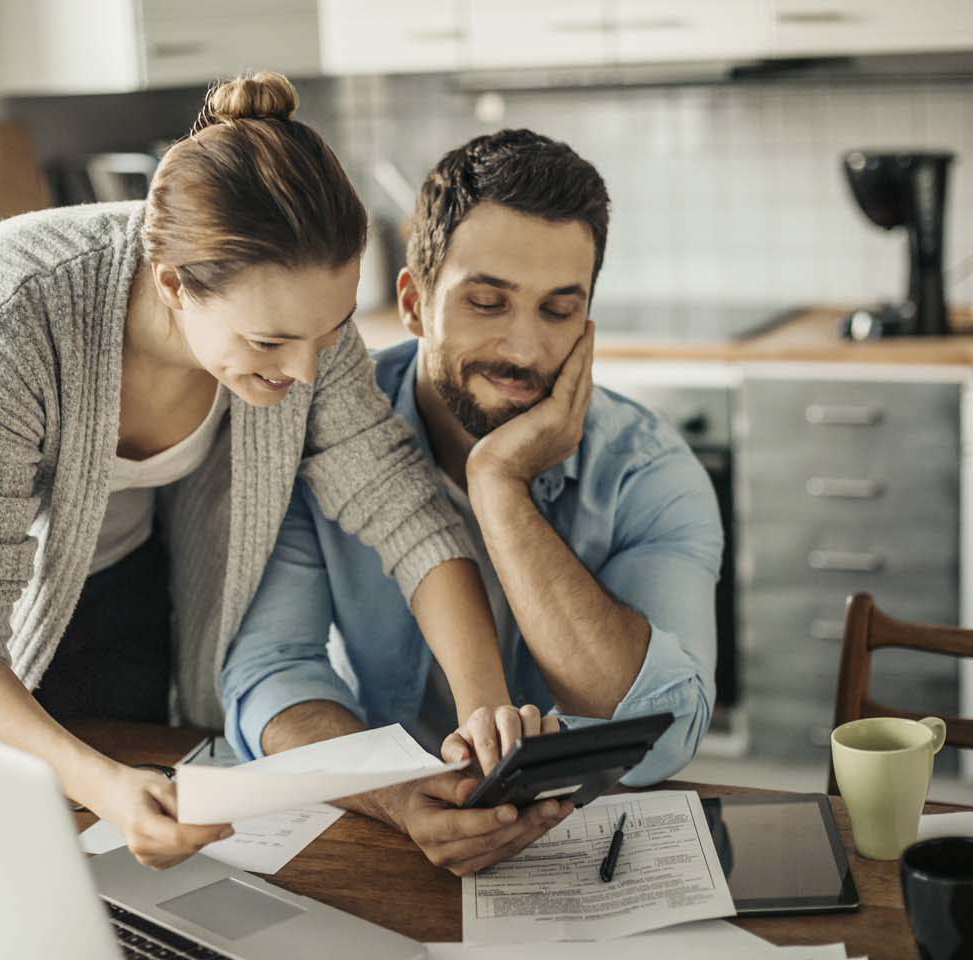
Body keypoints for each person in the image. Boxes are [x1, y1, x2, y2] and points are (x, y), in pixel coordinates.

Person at [0, 73, 519, 870]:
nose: (304, 371)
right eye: (268, 344)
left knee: (115, 876)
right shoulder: (15, 308)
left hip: (121, 584)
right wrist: (108, 786)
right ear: (171, 285)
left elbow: (405, 510)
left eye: (329, 332)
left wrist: (484, 711)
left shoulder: (300, 327)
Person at [221, 129, 724, 876]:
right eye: (488, 302)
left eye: (558, 311)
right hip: (381, 830)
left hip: (576, 855)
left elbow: (664, 730)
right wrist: (394, 793)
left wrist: (500, 488)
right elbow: (272, 675)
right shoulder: (318, 438)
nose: (522, 349)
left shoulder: (648, 472)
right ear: (414, 304)